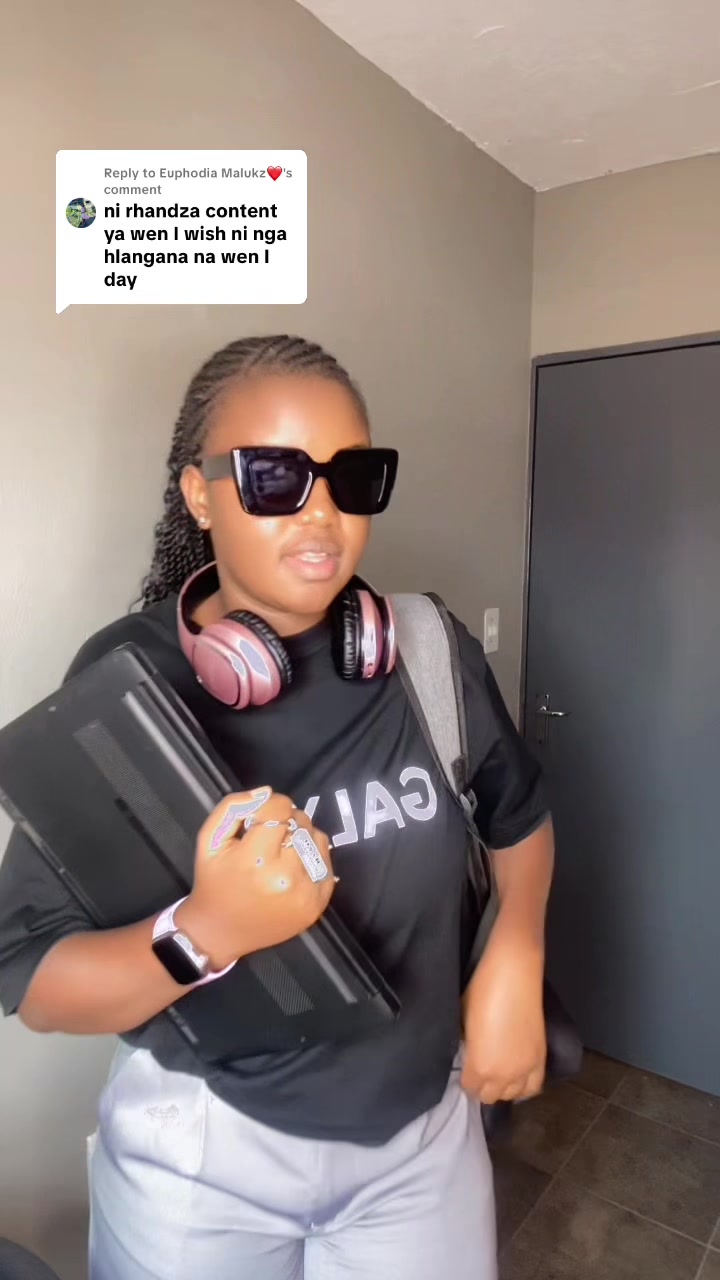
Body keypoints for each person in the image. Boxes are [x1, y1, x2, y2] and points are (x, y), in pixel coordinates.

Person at [0, 335, 553, 1280]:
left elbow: (520, 823)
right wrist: (206, 930)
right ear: (200, 494)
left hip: (421, 1140)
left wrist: (517, 952)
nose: (322, 513)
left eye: (352, 478)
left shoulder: (428, 650)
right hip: (204, 1153)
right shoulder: (128, 682)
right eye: (274, 477)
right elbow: (34, 979)